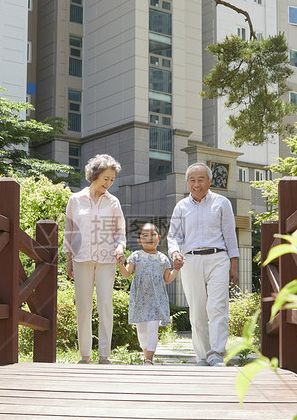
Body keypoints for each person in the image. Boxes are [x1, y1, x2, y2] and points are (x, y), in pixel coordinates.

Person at [166, 162, 239, 367]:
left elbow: (230, 236)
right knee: (197, 311)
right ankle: (202, 356)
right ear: (187, 182)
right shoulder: (181, 206)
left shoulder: (222, 203)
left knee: (217, 307)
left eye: (200, 179)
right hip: (190, 261)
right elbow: (173, 236)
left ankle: (216, 354)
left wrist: (234, 265)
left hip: (218, 259)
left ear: (209, 181)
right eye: (192, 180)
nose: (196, 184)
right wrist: (175, 253)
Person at [63, 154, 126, 364]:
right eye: (106, 178)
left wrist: (120, 247)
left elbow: (120, 232)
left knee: (105, 305)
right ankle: (85, 355)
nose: (108, 183)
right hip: (82, 259)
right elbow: (69, 232)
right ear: (94, 175)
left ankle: (104, 355)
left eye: (112, 180)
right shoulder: (75, 200)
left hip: (107, 260)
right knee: (83, 306)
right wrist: (68, 259)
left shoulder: (113, 202)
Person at [116, 223, 182, 365]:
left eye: (152, 235)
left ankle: (149, 359)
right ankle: (146, 354)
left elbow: (168, 279)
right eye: (144, 235)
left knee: (153, 327)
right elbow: (127, 274)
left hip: (156, 299)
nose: (149, 238)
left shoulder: (163, 258)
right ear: (139, 240)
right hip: (140, 298)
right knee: (142, 331)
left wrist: (176, 269)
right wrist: (121, 264)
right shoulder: (136, 256)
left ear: (158, 238)